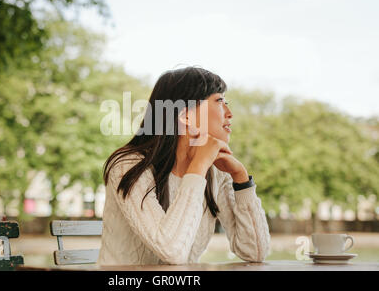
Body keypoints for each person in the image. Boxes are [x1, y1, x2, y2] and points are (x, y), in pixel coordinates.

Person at [97, 66, 271, 265]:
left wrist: (241, 179)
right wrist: (199, 165)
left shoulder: (216, 173)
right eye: (220, 101)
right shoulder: (128, 166)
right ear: (186, 116)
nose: (229, 113)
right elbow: (172, 251)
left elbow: (255, 253)